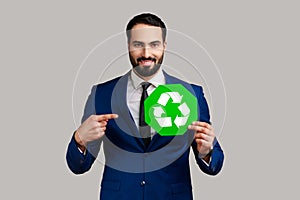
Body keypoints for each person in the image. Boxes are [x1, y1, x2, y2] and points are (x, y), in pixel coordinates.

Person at [66, 13, 224, 200]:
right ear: (128, 46)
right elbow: (78, 166)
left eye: (154, 44)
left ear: (164, 46)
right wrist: (79, 139)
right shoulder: (101, 94)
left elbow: (214, 165)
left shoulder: (192, 94)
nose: (146, 53)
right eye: (138, 44)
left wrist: (206, 152)